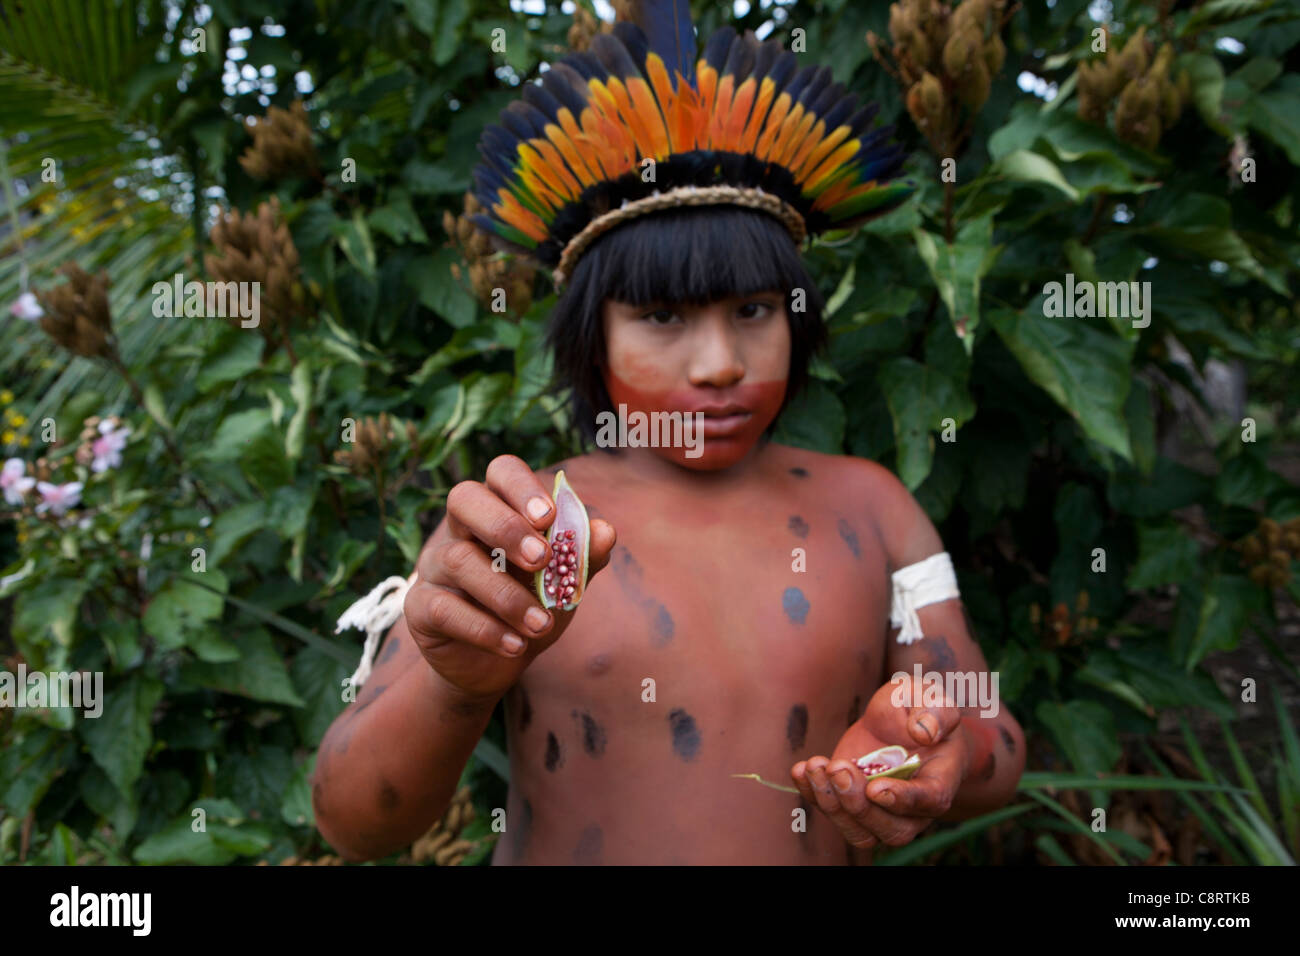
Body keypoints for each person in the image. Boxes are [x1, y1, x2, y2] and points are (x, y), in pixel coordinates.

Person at [311, 0, 1025, 865]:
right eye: (661, 316)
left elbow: (993, 742)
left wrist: (931, 747)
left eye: (754, 310)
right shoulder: (516, 530)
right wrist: (456, 688)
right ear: (591, 337)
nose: (720, 362)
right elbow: (354, 823)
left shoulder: (872, 508)